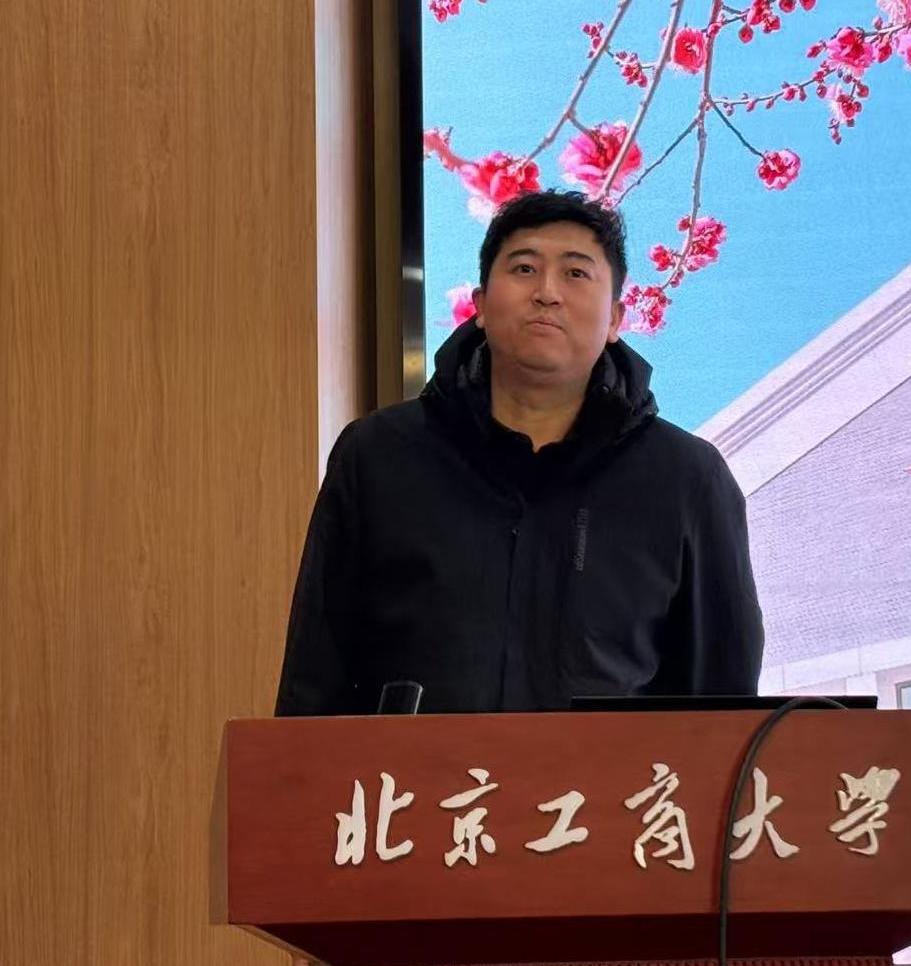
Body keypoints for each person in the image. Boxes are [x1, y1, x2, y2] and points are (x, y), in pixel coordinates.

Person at [274, 190, 762, 716]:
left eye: (576, 273)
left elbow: (724, 704)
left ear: (616, 319)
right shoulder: (377, 455)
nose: (547, 293)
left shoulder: (687, 478)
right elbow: (314, 679)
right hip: (410, 772)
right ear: (481, 305)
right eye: (524, 268)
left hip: (606, 774)